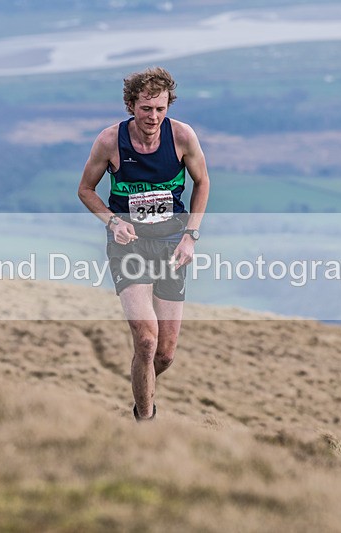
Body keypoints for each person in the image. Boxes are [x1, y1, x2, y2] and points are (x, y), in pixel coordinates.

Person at [78, 67, 210, 422]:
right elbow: (85, 190)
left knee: (164, 354)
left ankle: (141, 394)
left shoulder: (182, 137)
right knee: (146, 340)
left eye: (160, 109)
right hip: (129, 245)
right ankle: (146, 425)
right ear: (131, 105)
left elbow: (203, 183)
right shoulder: (110, 141)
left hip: (172, 244)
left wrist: (190, 236)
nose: (153, 117)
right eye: (146, 108)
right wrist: (113, 221)